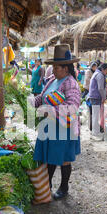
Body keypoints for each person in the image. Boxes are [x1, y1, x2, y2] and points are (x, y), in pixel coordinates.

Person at [32, 44, 81, 200]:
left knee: (64, 159)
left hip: (64, 127)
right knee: (50, 157)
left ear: (66, 68)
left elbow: (72, 107)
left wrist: (48, 111)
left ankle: (64, 187)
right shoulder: (52, 79)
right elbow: (43, 96)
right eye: (53, 67)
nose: (53, 70)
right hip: (50, 126)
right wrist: (32, 102)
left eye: (56, 67)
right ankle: (47, 186)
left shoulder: (70, 83)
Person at [88, 63, 107, 140]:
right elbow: (100, 88)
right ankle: (95, 133)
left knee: (95, 114)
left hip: (93, 96)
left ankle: (95, 131)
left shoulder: (96, 73)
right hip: (96, 96)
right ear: (103, 69)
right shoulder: (100, 75)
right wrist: (103, 97)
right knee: (96, 115)